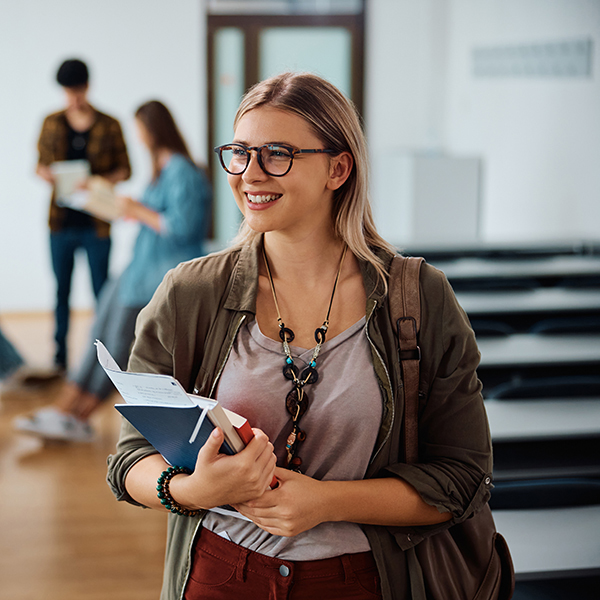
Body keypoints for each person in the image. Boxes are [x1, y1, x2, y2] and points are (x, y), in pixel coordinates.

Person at [106, 73, 495, 600]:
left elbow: (461, 477)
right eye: (239, 153)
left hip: (362, 580)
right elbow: (130, 459)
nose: (250, 174)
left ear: (338, 168)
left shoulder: (419, 297)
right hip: (220, 576)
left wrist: (325, 502)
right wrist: (191, 490)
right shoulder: (189, 293)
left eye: (277, 154)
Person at [15, 100, 211, 442]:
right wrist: (125, 207)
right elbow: (157, 217)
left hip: (158, 276)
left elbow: (183, 228)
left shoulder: (181, 169)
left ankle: (79, 415)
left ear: (151, 129)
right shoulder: (163, 169)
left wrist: (137, 208)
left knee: (118, 345)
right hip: (137, 270)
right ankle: (66, 408)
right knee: (99, 335)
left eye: (139, 128)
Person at [36, 58, 131, 372]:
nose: (73, 98)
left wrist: (98, 182)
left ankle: (102, 356)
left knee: (101, 292)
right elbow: (38, 165)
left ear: (87, 87)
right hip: (60, 222)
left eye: (77, 90)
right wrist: (51, 175)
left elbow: (126, 169)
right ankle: (60, 355)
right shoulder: (50, 122)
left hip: (96, 222)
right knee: (60, 289)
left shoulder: (109, 124)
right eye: (67, 91)